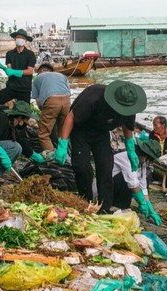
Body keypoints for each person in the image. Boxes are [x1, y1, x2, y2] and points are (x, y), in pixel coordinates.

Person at [55, 80, 147, 214]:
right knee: (82, 167)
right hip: (81, 130)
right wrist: (62, 144)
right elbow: (71, 117)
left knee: (105, 168)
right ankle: (85, 201)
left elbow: (127, 127)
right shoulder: (93, 97)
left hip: (101, 133)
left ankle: (104, 207)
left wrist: (131, 149)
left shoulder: (128, 107)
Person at [0, 100, 45, 184]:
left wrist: (35, 156)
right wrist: (1, 153)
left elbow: (21, 143)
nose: (27, 123)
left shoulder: (11, 126)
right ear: (20, 118)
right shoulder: (1, 121)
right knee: (15, 147)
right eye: (26, 119)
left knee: (17, 147)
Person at [94, 139, 162, 224]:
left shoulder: (142, 163)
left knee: (139, 181)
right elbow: (133, 184)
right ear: (145, 155)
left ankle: (120, 207)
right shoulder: (127, 157)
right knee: (127, 180)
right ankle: (111, 206)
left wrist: (150, 208)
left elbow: (143, 186)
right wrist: (142, 203)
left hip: (115, 190)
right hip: (102, 190)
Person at [31, 63, 71, 152]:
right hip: (67, 101)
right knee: (62, 132)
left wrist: (46, 115)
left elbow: (39, 103)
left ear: (39, 71)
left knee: (43, 134)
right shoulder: (62, 76)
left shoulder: (38, 78)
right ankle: (63, 155)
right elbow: (68, 92)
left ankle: (53, 158)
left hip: (51, 101)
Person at [0, 28, 36, 106]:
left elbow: (30, 71)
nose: (20, 39)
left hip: (24, 88)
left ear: (25, 40)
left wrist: (14, 72)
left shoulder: (30, 54)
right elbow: (9, 70)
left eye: (23, 38)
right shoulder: (9, 54)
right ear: (15, 38)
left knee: (24, 113)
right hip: (11, 87)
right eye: (19, 37)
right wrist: (2, 67)